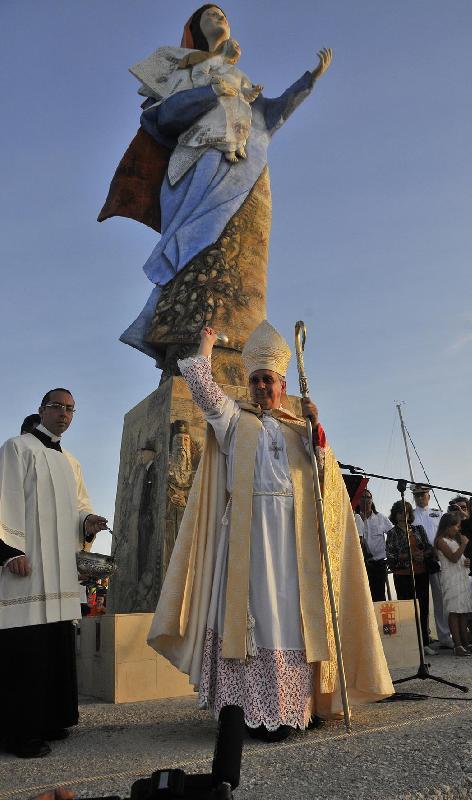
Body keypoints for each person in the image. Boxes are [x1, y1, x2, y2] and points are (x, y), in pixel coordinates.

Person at [149, 322, 393, 742]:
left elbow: (324, 483)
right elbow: (205, 390)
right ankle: (250, 711)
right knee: (255, 619)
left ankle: (297, 706)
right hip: (248, 535)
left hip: (293, 540)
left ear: (283, 386)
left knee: (294, 619)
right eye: (256, 380)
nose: (262, 387)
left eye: (269, 381)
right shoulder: (234, 421)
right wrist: (206, 345)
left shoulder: (299, 430)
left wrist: (318, 436)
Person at [99, 5, 333, 368]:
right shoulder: (182, 66)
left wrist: (311, 78)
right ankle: (185, 352)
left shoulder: (240, 79)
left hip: (249, 174)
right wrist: (211, 90)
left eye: (222, 14)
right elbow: (164, 116)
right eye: (209, 15)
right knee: (195, 249)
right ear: (195, 27)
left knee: (243, 259)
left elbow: (272, 115)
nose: (218, 17)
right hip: (199, 162)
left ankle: (246, 355)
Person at [0, 389, 107, 758]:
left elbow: (79, 510)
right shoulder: (17, 448)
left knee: (54, 646)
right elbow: (5, 497)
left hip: (59, 573)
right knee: (26, 651)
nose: (64, 414)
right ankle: (18, 732)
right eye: (57, 407)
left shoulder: (71, 463)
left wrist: (88, 522)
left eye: (70, 409)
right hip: (27, 569)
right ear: (42, 410)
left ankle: (49, 718)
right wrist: (10, 549)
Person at [178, 37, 263, 162]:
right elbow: (198, 74)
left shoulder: (239, 73)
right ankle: (229, 149)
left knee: (244, 116)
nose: (238, 46)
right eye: (234, 44)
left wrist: (254, 91)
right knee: (226, 114)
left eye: (239, 45)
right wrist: (212, 80)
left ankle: (239, 145)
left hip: (238, 99)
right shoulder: (214, 62)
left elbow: (245, 91)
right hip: (220, 94)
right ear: (225, 47)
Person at [385, 500, 435, 656]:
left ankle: (425, 643)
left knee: (423, 608)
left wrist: (422, 555)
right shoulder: (392, 533)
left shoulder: (418, 529)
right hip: (402, 576)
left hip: (420, 573)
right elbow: (390, 556)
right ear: (395, 514)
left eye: (406, 511)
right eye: (400, 511)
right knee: (406, 611)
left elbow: (429, 548)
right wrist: (409, 556)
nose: (403, 514)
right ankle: (412, 645)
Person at [411, 484, 452, 648]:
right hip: (419, 559)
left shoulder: (438, 513)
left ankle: (444, 637)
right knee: (421, 600)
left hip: (437, 558)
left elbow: (445, 533)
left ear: (429, 495)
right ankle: (424, 639)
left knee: (440, 599)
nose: (421, 497)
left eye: (423, 494)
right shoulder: (411, 515)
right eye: (417, 494)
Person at [434, 513, 472, 657]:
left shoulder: (455, 541)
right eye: (456, 526)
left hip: (461, 577)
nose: (458, 529)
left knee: (462, 611)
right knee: (454, 611)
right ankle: (457, 645)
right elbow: (453, 558)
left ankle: (466, 643)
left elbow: (460, 558)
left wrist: (467, 562)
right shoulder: (440, 541)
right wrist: (464, 544)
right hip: (451, 579)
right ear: (447, 526)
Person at [355, 489, 392, 601]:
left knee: (379, 597)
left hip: (378, 564)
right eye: (362, 497)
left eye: (368, 497)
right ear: (357, 500)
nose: (366, 500)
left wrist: (390, 554)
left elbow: (393, 535)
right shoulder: (353, 517)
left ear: (372, 500)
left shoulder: (380, 518)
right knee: (363, 598)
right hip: (360, 564)